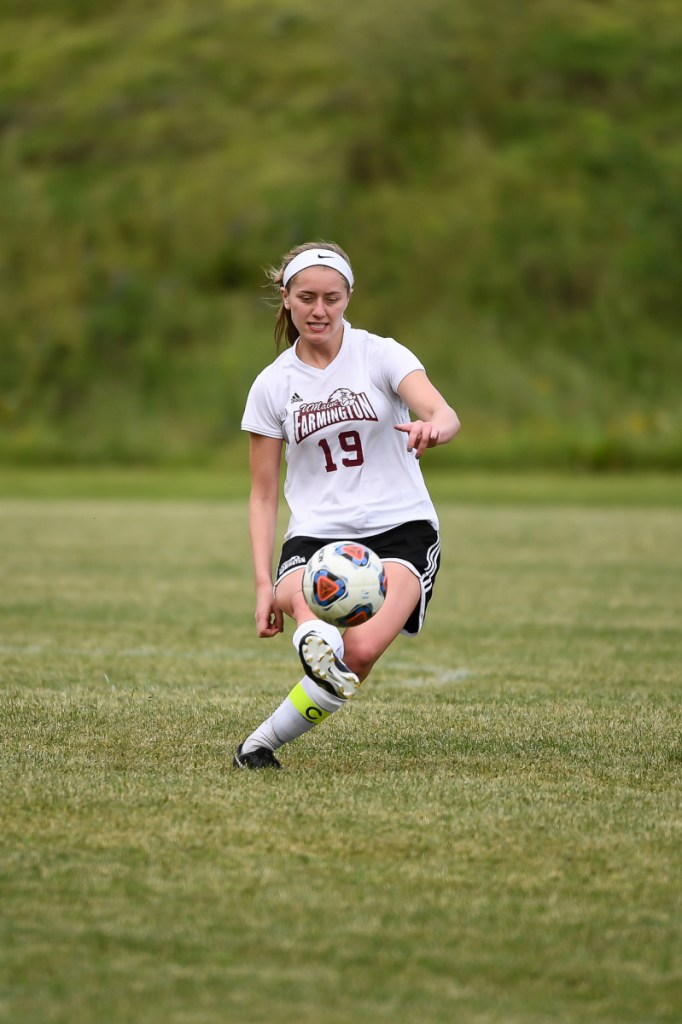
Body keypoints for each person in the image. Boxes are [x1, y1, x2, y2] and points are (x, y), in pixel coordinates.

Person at [233, 241, 460, 769]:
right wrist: (264, 584)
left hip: (400, 527)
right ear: (285, 299)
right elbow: (263, 494)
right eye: (307, 297)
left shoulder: (381, 354)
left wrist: (434, 428)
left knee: (355, 655)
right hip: (317, 530)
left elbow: (443, 411)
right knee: (302, 594)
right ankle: (311, 634)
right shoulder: (272, 386)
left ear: (348, 297)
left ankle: (259, 744)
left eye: (331, 298)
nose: (319, 310)